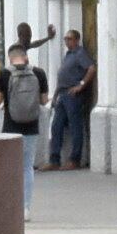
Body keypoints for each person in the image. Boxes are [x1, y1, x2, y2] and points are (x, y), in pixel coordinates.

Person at [47, 28, 95, 170]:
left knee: (75, 127)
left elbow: (91, 68)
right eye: (65, 39)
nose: (66, 41)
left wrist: (81, 85)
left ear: (76, 40)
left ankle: (75, 159)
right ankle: (54, 160)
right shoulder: (68, 55)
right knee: (56, 126)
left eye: (69, 39)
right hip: (62, 94)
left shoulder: (80, 53)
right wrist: (55, 95)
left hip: (73, 95)